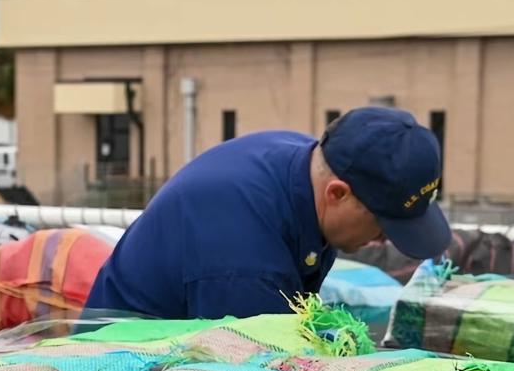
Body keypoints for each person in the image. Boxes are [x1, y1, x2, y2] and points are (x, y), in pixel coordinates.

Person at [86, 105, 451, 321]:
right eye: (382, 223)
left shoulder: (306, 166)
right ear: (337, 194)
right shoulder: (245, 258)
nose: (384, 240)